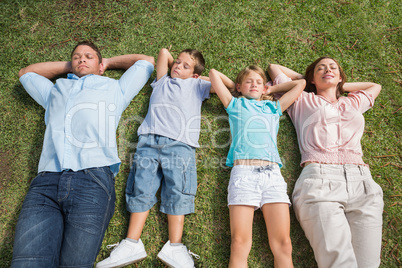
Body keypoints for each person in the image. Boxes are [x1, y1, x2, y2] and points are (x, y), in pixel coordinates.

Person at [12, 40, 155, 268]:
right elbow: (26, 73)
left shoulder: (115, 89)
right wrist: (71, 66)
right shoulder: (55, 91)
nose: (82, 59)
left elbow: (146, 62)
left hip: (92, 181)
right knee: (27, 263)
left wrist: (106, 63)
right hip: (45, 184)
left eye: (89, 56)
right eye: (77, 56)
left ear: (100, 66)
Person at [96, 47, 228, 268]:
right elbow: (163, 52)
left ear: (195, 74)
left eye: (185, 66)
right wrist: (180, 64)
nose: (177, 66)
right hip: (148, 141)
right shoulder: (161, 80)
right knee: (140, 186)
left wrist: (200, 75)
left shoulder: (198, 86)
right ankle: (131, 243)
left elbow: (225, 84)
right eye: (177, 62)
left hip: (180, 145)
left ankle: (175, 247)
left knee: (178, 190)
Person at [267, 58, 384, 268]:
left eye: (333, 68)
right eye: (320, 68)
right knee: (339, 264)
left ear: (340, 76)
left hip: (363, 183)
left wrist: (339, 84)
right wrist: (308, 81)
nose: (327, 70)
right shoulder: (301, 100)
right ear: (312, 78)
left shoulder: (353, 102)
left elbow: (375, 87)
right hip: (320, 183)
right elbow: (274, 69)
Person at [209, 66, 305, 267]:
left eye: (258, 82)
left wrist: (269, 91)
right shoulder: (235, 104)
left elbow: (300, 84)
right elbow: (213, 73)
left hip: (272, 176)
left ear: (265, 88)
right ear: (239, 86)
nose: (254, 84)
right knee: (239, 243)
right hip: (244, 174)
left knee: (284, 244)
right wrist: (235, 89)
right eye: (248, 82)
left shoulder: (273, 108)